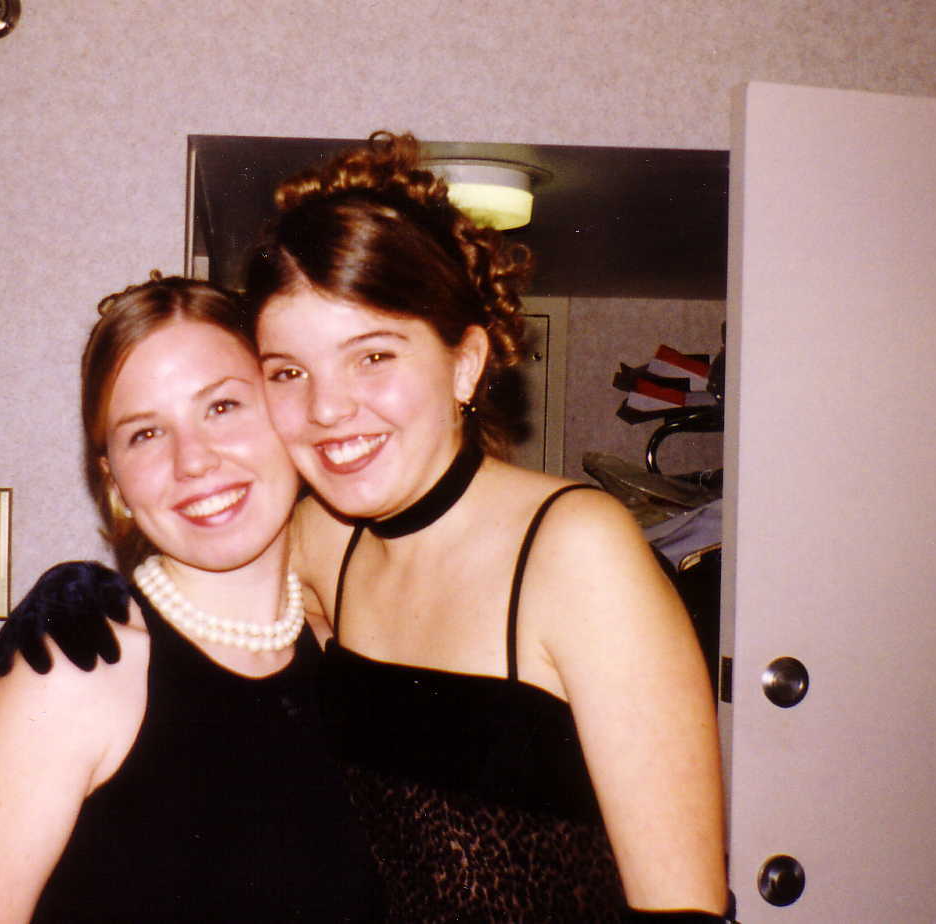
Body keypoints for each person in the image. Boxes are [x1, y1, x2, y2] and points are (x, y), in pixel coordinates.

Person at [242, 132, 729, 922]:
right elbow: (181, 625)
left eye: (373, 356)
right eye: (289, 372)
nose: (326, 408)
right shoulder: (320, 540)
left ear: (465, 364)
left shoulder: (578, 551)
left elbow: (681, 910)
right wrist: (89, 598)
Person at [0, 274, 382, 922]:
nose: (194, 461)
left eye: (222, 407)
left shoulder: (353, 664)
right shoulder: (73, 676)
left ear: (286, 412)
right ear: (113, 482)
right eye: (145, 434)